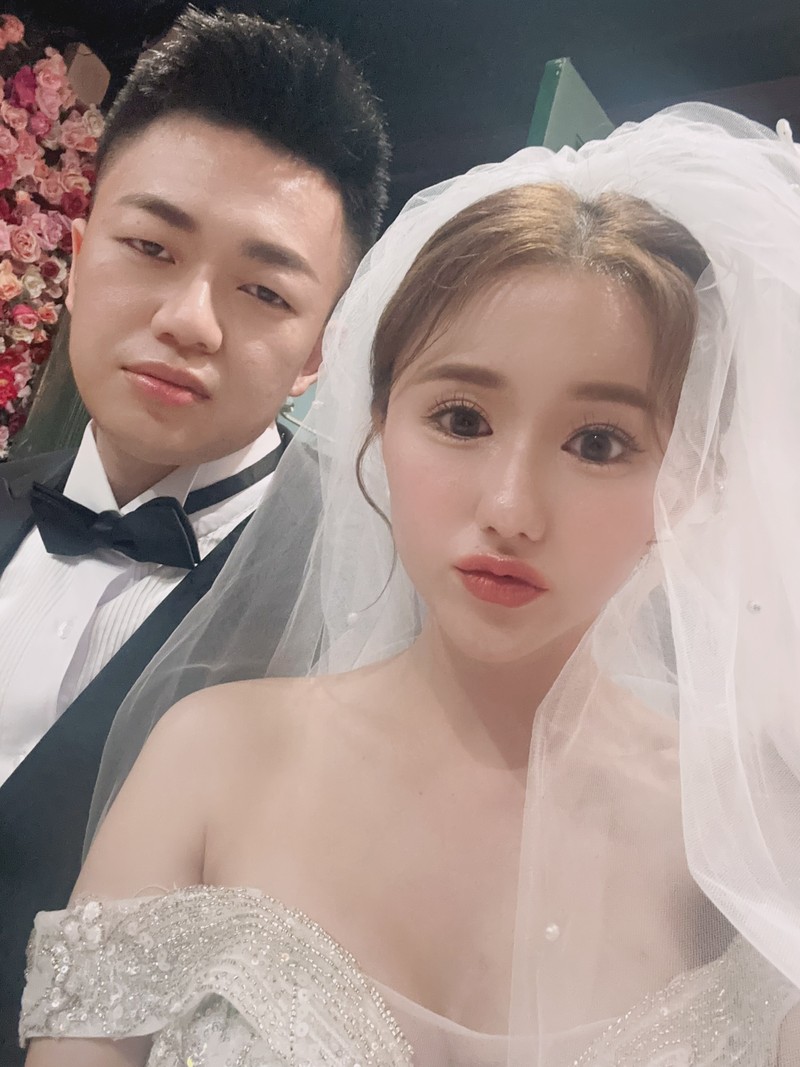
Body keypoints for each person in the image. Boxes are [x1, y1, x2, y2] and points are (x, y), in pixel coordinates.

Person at [18, 104, 800, 1066]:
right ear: (379, 421)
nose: (511, 508)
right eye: (463, 419)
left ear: (692, 475)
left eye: (599, 442)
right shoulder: (211, 759)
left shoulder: (750, 842)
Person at [0, 7, 389, 1061]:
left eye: (263, 289)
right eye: (150, 246)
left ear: (319, 350)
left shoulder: (355, 622)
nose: (190, 319)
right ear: (78, 253)